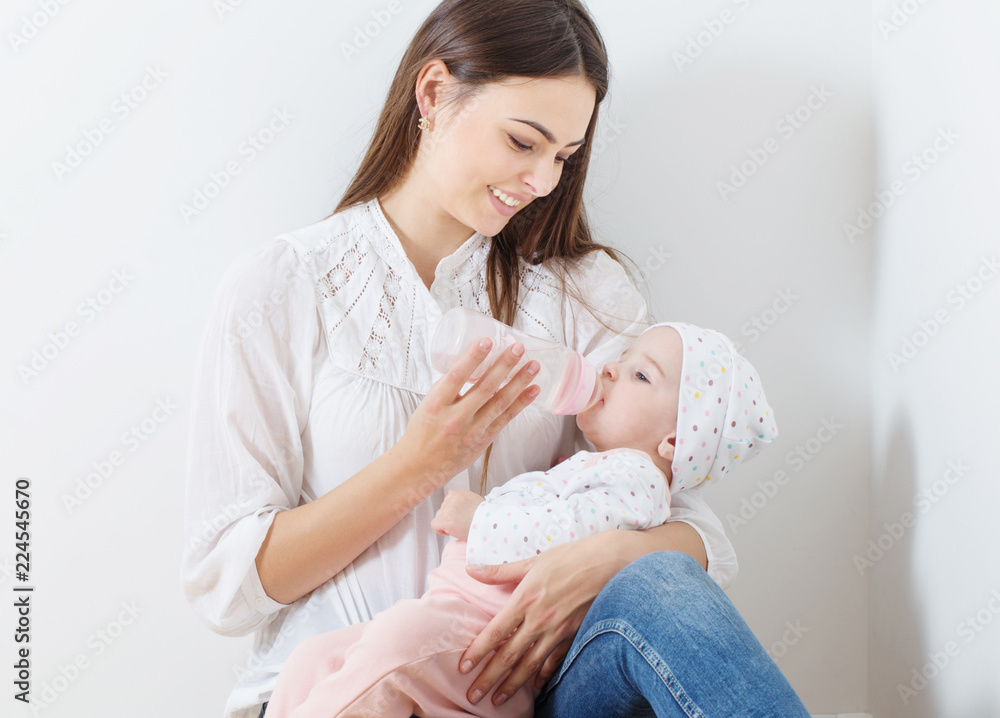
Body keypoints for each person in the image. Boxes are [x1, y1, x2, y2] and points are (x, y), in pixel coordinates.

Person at [181, 1, 812, 716]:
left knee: (659, 583)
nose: (543, 181)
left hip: (513, 689)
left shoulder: (583, 292)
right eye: (523, 142)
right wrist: (417, 465)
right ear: (434, 93)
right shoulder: (281, 288)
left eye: (564, 158)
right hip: (340, 685)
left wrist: (607, 559)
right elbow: (226, 584)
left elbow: (690, 521)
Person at [262, 322, 799, 717]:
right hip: (453, 619)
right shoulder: (596, 466)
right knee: (315, 656)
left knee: (397, 645)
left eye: (640, 374)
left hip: (489, 639)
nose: (609, 367)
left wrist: (481, 517)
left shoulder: (635, 483)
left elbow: (563, 537)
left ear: (674, 443)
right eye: (626, 357)